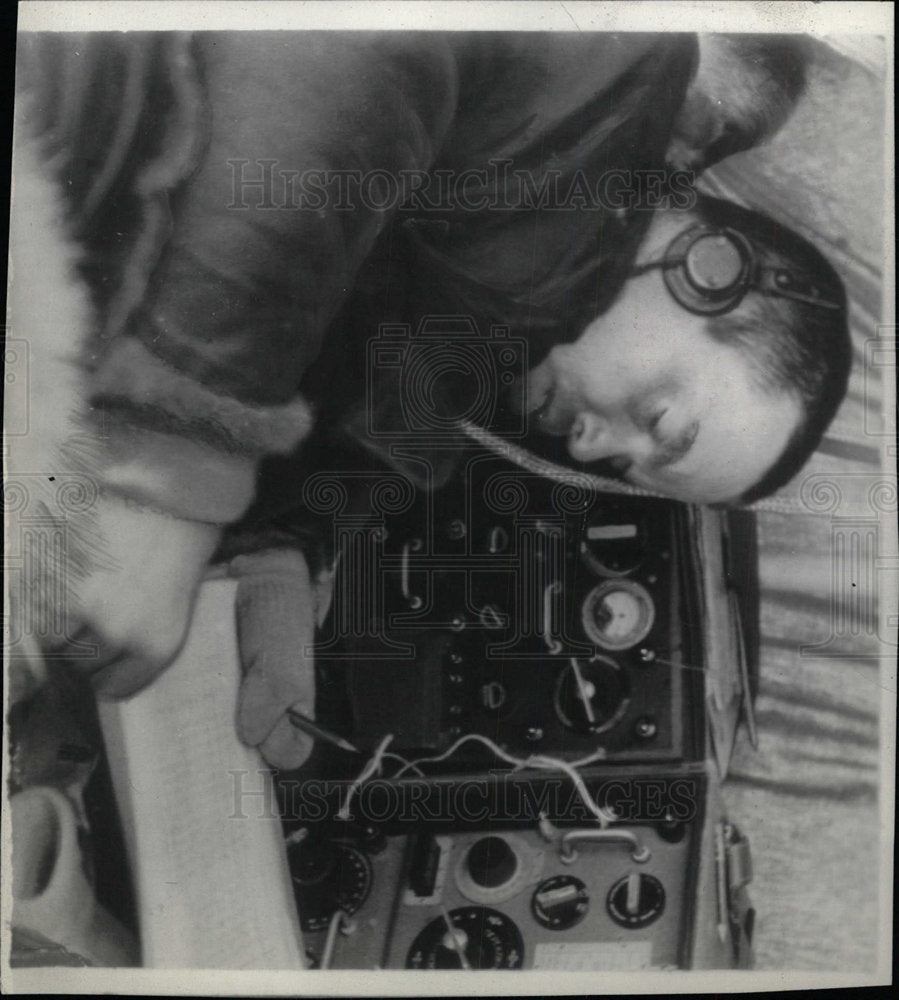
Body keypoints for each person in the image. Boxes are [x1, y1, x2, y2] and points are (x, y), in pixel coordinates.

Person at [9, 30, 834, 765]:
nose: (589, 447)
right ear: (705, 269)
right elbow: (343, 47)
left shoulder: (488, 340)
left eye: (625, 465)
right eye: (657, 421)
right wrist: (176, 468)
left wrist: (285, 549)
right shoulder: (612, 73)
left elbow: (371, 436)